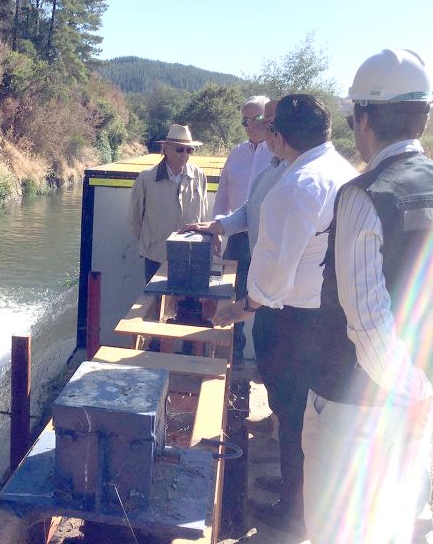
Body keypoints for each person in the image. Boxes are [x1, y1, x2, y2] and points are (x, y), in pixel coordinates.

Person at [303, 49, 433, 542]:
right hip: (415, 400)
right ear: (422, 117)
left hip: (356, 409)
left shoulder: (364, 196)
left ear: (364, 119)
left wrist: (412, 394)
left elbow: (368, 324)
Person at [213, 94, 357, 533]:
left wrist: (242, 308)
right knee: (307, 411)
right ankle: (301, 486)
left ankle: (295, 509)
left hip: (292, 317)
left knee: (291, 409)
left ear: (279, 135)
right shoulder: (342, 171)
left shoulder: (296, 185)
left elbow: (276, 272)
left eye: (269, 127)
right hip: (330, 312)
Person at [213, 96, 272, 366]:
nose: (248, 125)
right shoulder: (235, 153)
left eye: (254, 118)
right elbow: (222, 196)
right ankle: (232, 358)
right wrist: (216, 230)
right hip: (236, 239)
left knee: (268, 302)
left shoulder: (281, 155)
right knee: (231, 298)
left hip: (268, 239)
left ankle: (266, 363)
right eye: (244, 120)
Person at [128, 124, 208, 283]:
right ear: (166, 149)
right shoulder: (146, 178)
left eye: (189, 150)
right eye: (180, 149)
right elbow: (134, 218)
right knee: (155, 303)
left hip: (191, 255)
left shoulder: (199, 176)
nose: (185, 154)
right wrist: (149, 244)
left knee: (187, 304)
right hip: (156, 256)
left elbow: (203, 215)